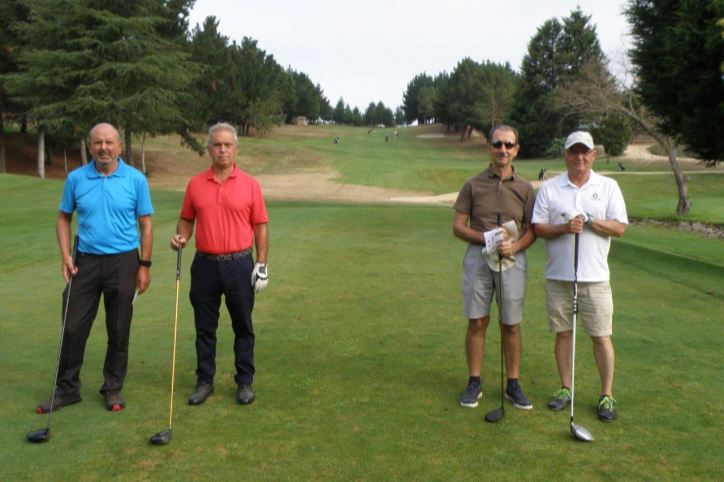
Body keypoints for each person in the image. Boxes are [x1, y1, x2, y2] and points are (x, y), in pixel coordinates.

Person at [37, 122, 154, 413]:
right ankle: (67, 389)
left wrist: (144, 265)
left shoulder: (136, 180)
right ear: (90, 147)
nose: (104, 148)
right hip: (85, 261)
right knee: (73, 326)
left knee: (118, 329)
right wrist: (65, 255)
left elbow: (146, 224)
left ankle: (112, 388)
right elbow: (64, 217)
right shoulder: (76, 179)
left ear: (119, 147)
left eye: (109, 142)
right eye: (98, 143)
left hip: (124, 261)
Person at [170, 122, 269, 406]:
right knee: (204, 326)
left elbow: (260, 226)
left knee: (243, 325)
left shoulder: (250, 184)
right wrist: (182, 236)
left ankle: (245, 381)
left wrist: (261, 264)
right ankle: (204, 381)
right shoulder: (196, 184)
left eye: (228, 145)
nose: (222, 149)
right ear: (209, 149)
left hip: (239, 264)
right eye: (217, 144)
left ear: (236, 149)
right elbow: (187, 218)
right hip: (205, 265)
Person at [531, 131, 627, 422]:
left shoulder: (608, 186)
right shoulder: (550, 188)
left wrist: (591, 220)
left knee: (601, 336)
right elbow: (537, 228)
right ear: (565, 155)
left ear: (593, 155)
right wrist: (564, 227)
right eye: (574, 151)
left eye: (585, 151)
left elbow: (620, 227)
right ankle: (565, 388)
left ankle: (606, 394)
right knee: (563, 334)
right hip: (559, 276)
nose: (579, 157)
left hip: (595, 277)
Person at [452, 125, 536, 410]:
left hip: (512, 259)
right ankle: (474, 381)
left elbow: (532, 231)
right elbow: (458, 227)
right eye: (497, 144)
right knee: (477, 321)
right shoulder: (473, 185)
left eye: (508, 145)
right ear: (489, 147)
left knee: (510, 324)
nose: (503, 150)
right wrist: (484, 238)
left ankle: (513, 384)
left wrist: (514, 246)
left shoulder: (525, 188)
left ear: (516, 150)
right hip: (478, 258)